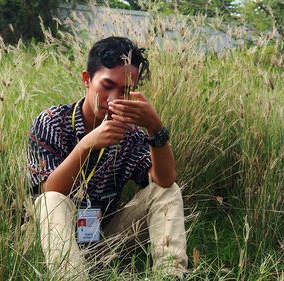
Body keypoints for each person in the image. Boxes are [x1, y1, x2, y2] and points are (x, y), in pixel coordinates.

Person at [27, 36, 187, 279]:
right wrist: (85, 146)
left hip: (102, 239)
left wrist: (155, 128)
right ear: (87, 79)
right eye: (107, 85)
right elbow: (48, 191)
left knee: (168, 191)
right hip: (51, 242)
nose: (113, 99)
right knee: (51, 200)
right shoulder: (53, 122)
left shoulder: (129, 134)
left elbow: (164, 181)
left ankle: (169, 276)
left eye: (124, 91)